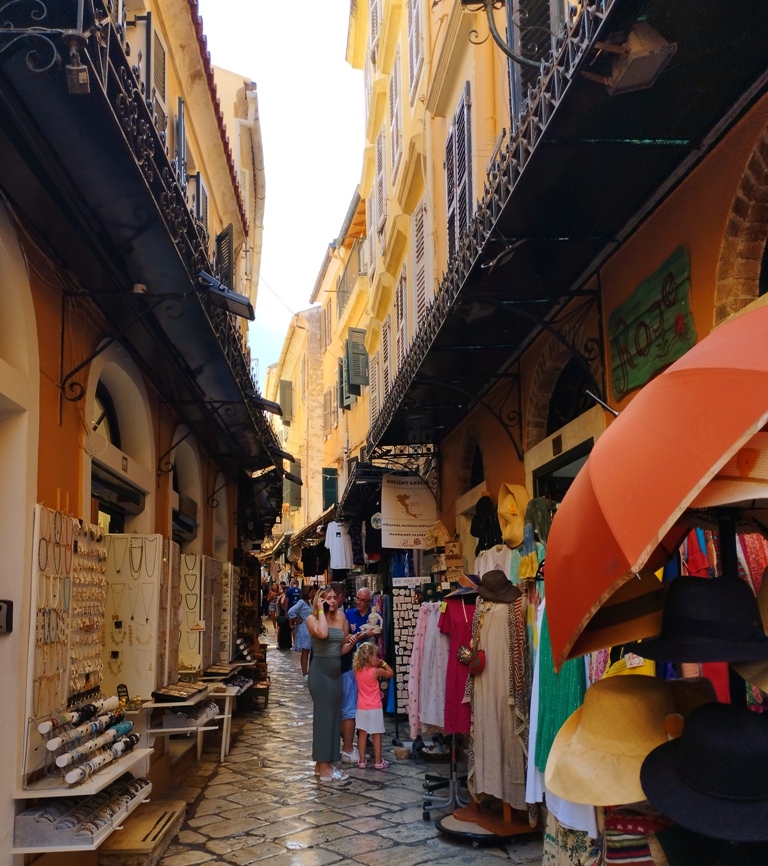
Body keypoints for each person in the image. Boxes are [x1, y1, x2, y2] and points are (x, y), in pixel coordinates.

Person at [306, 587, 364, 782]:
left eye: (333, 598)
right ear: (319, 601)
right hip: (320, 674)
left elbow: (338, 650)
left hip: (336, 674)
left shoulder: (340, 618)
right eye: (327, 598)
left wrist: (353, 641)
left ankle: (322, 764)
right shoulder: (312, 619)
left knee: (333, 718)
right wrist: (321, 610)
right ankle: (324, 768)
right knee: (324, 718)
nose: (332, 601)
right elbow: (323, 634)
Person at [341, 586, 375, 762]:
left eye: (362, 600)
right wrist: (361, 635)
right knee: (351, 703)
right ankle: (348, 738)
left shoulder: (374, 616)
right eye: (357, 598)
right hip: (351, 664)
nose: (358, 602)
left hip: (368, 666)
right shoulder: (348, 615)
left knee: (366, 701)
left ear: (369, 602)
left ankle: (363, 735)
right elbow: (345, 637)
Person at [353, 641, 394, 769]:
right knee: (376, 734)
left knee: (362, 734)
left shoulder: (357, 671)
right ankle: (378, 761)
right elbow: (391, 673)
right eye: (375, 655)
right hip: (375, 707)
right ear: (369, 657)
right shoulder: (376, 671)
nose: (377, 658)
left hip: (361, 707)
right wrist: (383, 663)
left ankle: (361, 761)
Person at [288, 585, 314, 676]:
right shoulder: (301, 602)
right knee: (305, 651)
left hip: (309, 629)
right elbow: (291, 611)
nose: (313, 594)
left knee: (308, 651)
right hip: (304, 629)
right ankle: (304, 673)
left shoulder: (309, 603)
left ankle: (308, 671)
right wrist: (297, 619)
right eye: (311, 592)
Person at [276, 582, 292, 649]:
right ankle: (284, 644)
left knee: (282, 629)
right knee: (285, 629)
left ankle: (281, 643)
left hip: (281, 613)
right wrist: (286, 611)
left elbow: (278, 605)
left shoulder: (281, 596)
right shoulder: (285, 596)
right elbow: (283, 604)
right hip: (284, 614)